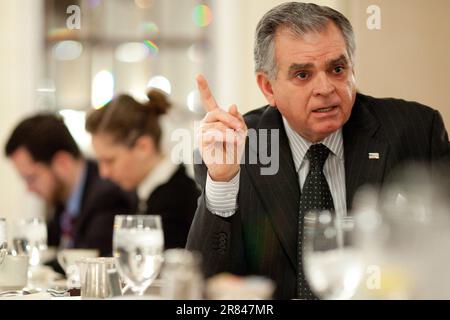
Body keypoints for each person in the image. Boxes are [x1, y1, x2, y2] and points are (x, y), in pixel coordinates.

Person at [186, 2, 450, 299]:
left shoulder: (415, 131)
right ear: (268, 87)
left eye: (337, 69)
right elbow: (203, 285)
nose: (325, 87)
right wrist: (223, 181)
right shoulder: (239, 147)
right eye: (303, 75)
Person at [4, 114, 134, 260]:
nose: (29, 189)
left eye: (31, 178)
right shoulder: (62, 203)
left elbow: (86, 262)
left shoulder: (107, 198)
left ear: (62, 162)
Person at [85, 89, 200, 249]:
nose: (104, 173)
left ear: (143, 147)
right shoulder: (150, 194)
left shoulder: (175, 202)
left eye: (110, 161)